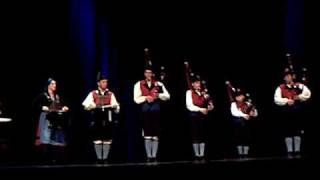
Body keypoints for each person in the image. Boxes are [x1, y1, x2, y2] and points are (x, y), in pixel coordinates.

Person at [134, 65, 170, 162]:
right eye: (147, 73)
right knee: (147, 133)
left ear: (153, 74)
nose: (148, 74)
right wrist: (146, 98)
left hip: (156, 110)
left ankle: (154, 156)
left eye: (150, 73)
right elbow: (136, 99)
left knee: (155, 133)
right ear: (144, 74)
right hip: (145, 110)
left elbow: (167, 96)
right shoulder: (139, 84)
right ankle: (148, 156)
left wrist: (158, 95)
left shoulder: (158, 84)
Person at [83, 73, 120, 163]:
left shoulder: (110, 94)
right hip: (97, 118)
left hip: (108, 118)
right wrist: (90, 106)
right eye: (103, 82)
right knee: (98, 138)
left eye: (106, 82)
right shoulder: (93, 93)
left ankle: (105, 158)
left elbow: (117, 108)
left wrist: (116, 106)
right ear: (98, 83)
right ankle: (99, 158)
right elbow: (85, 105)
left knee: (107, 138)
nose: (105, 84)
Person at [274, 69, 311, 157]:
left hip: (298, 111)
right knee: (288, 131)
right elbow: (276, 99)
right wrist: (286, 101)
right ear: (284, 78)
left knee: (297, 131)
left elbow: (308, 93)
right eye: (286, 76)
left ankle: (297, 151)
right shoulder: (280, 87)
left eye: (289, 75)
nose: (287, 77)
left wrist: (299, 97)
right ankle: (289, 151)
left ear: (292, 76)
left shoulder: (299, 85)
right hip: (286, 112)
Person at [34, 78, 69, 163]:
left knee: (56, 138)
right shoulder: (42, 96)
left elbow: (61, 105)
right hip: (46, 118)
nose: (55, 85)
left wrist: (64, 107)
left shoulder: (57, 96)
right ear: (48, 85)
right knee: (46, 138)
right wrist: (42, 107)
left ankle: (55, 159)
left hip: (56, 119)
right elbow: (35, 105)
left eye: (55, 84)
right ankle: (46, 160)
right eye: (53, 84)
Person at [186, 76, 214, 161]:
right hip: (194, 115)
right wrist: (200, 109)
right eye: (197, 83)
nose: (199, 85)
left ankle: (202, 155)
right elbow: (189, 105)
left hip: (203, 116)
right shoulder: (189, 92)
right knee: (195, 135)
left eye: (199, 83)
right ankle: (196, 154)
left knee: (202, 135)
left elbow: (210, 103)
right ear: (193, 84)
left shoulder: (204, 93)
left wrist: (210, 107)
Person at [230, 88, 258, 158]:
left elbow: (256, 113)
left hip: (247, 124)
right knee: (238, 138)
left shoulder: (248, 103)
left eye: (240, 95)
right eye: (237, 96)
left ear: (243, 96)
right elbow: (234, 112)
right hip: (237, 124)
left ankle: (246, 154)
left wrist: (253, 113)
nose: (238, 97)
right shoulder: (234, 104)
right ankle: (240, 154)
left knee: (247, 138)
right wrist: (244, 115)